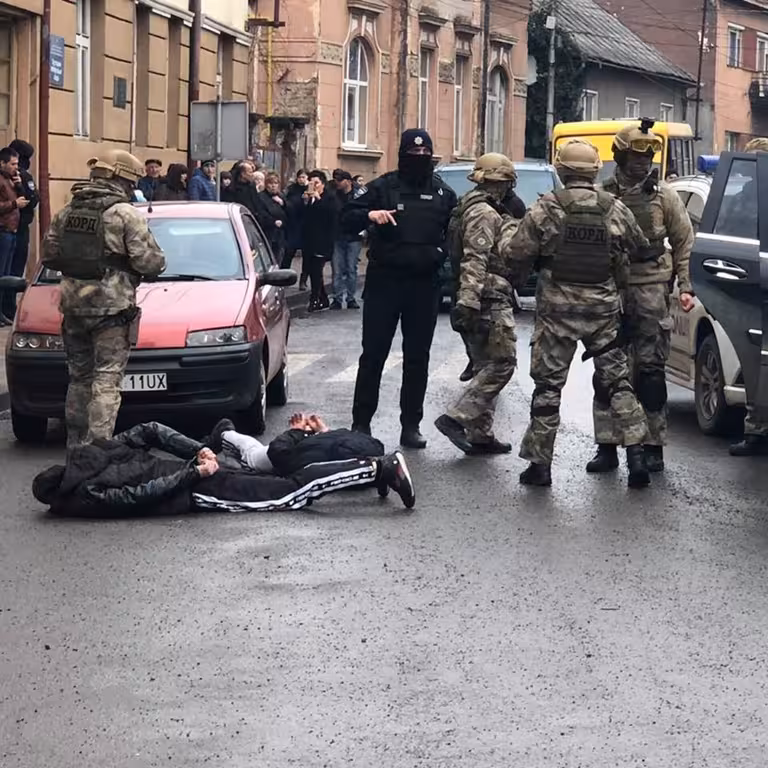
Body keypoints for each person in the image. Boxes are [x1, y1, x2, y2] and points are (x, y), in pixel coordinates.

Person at [504, 139, 651, 488]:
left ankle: (540, 466)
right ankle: (637, 456)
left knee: (548, 387)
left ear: (561, 169)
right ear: (595, 170)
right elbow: (641, 247)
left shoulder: (546, 207)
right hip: (603, 310)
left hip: (557, 312)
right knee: (618, 382)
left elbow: (516, 253)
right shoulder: (614, 207)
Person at [588, 120, 694, 474]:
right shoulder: (602, 195)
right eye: (636, 157)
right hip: (610, 290)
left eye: (648, 157)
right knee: (607, 371)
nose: (643, 163)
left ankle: (652, 446)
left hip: (651, 288)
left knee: (650, 372)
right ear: (619, 156)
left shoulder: (664, 196)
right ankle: (606, 445)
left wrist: (686, 286)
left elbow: (684, 242)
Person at [340, 129, 457, 448]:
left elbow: (457, 232)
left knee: (417, 358)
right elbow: (345, 218)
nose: (419, 159)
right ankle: (361, 423)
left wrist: (442, 254)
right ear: (402, 155)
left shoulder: (444, 193)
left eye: (424, 154)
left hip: (424, 286)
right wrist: (369, 214)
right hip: (385, 283)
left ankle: (411, 425)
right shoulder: (383, 187)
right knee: (373, 355)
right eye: (413, 154)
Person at [41, 149, 166, 448]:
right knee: (107, 381)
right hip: (112, 311)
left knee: (79, 379)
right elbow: (150, 262)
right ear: (121, 178)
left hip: (73, 308)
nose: (132, 188)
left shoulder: (67, 212)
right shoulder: (125, 214)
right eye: (131, 182)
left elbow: (49, 255)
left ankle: (76, 448)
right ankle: (97, 452)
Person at [31, 421, 416, 516]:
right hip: (196, 473)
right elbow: (150, 431)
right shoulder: (96, 452)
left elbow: (137, 497)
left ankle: (379, 470)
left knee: (289, 493)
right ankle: (369, 470)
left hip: (199, 489)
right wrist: (198, 451)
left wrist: (195, 470)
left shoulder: (84, 495)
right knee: (283, 484)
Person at [434, 153, 520, 455]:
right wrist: (469, 300)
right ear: (503, 182)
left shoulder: (468, 206)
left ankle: (481, 434)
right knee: (503, 363)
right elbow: (476, 258)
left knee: (485, 364)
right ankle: (455, 418)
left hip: (475, 293)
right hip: (488, 296)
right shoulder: (484, 212)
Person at [723, 137, 768, 455]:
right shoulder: (739, 201)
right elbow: (724, 237)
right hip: (750, 287)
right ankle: (756, 431)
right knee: (755, 363)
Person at [207, 412, 385, 476]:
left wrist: (296, 431)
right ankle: (214, 443)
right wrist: (323, 432)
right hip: (311, 448)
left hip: (267, 460)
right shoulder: (365, 452)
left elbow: (278, 453)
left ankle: (221, 434)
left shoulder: (317, 457)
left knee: (245, 449)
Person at [5, 139, 38, 319]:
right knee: (9, 271)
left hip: (21, 226)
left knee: (14, 270)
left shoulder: (22, 176)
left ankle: (9, 308)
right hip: (10, 227)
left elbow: (33, 199)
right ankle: (7, 308)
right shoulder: (11, 176)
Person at [0, 146, 28, 326]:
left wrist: (19, 185)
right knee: (1, 275)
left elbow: (27, 198)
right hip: (2, 231)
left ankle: (3, 311)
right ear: (2, 163)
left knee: (7, 275)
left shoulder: (11, 179)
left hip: (12, 231)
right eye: (12, 164)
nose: (16, 167)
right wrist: (14, 204)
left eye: (17, 164)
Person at [303, 170, 337, 312]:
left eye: (316, 183)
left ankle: (314, 299)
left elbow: (331, 215)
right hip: (309, 240)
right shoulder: (309, 198)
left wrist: (319, 200)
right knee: (312, 270)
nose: (314, 186)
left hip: (323, 240)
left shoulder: (330, 198)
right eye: (311, 183)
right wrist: (305, 201)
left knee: (317, 270)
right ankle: (323, 298)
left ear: (323, 184)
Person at [331, 170, 365, 310]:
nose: (337, 183)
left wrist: (364, 230)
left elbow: (364, 212)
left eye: (340, 180)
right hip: (338, 235)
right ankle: (337, 298)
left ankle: (351, 298)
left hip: (354, 236)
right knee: (337, 269)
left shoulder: (358, 195)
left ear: (348, 181)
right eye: (336, 180)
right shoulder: (334, 195)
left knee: (351, 268)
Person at [260, 172, 288, 265]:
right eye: (271, 183)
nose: (273, 186)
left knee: (278, 259)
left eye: (275, 183)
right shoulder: (261, 196)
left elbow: (289, 212)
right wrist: (273, 222)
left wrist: (282, 203)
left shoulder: (281, 196)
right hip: (267, 232)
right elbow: (261, 213)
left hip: (280, 234)